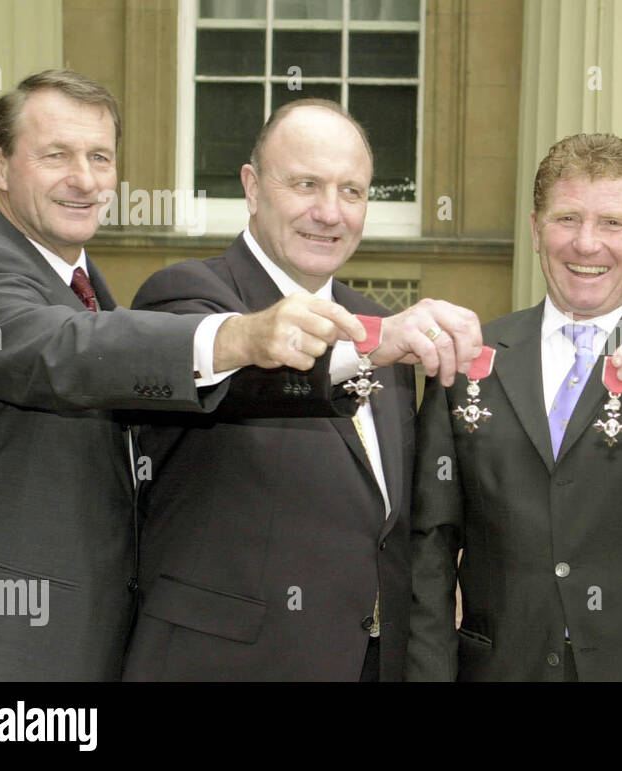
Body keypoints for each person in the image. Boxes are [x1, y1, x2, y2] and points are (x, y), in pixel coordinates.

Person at [0, 71, 361, 680]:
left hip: (97, 640)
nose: (84, 179)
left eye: (100, 157)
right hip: (13, 649)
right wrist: (236, 334)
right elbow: (64, 351)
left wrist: (372, 348)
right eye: (55, 155)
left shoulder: (86, 289)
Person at [120, 99, 482, 681]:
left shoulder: (377, 328)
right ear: (253, 187)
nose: (329, 212)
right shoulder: (186, 298)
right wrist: (371, 346)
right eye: (306, 184)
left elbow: (391, 527)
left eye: (352, 192)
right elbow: (252, 381)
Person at [405, 133, 622, 681]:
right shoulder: (471, 354)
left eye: (613, 224)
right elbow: (430, 546)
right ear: (535, 229)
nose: (586, 244)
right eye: (567, 219)